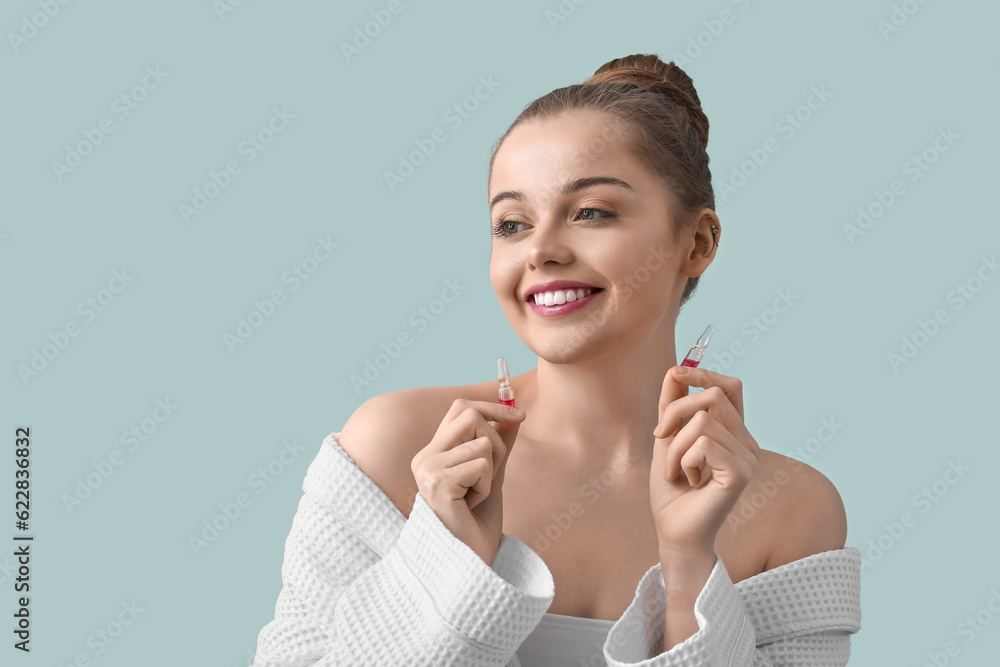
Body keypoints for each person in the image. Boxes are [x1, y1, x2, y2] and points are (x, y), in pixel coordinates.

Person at [252, 53, 862, 666]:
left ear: (697, 242)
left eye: (591, 212)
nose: (541, 250)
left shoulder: (791, 511)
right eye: (512, 224)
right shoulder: (398, 449)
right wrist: (444, 561)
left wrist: (688, 570)